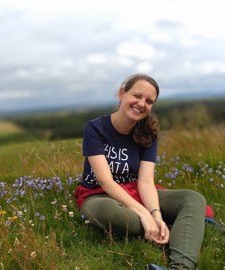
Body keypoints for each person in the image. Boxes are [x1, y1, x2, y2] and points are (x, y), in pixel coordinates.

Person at [74, 74, 206, 270]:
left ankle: (181, 266)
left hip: (136, 191)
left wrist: (156, 215)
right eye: (137, 95)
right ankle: (180, 229)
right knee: (113, 215)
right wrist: (145, 215)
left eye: (149, 101)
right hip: (99, 196)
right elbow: (106, 182)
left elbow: (145, 182)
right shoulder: (95, 128)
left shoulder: (148, 133)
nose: (141, 103)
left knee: (192, 199)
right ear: (122, 93)